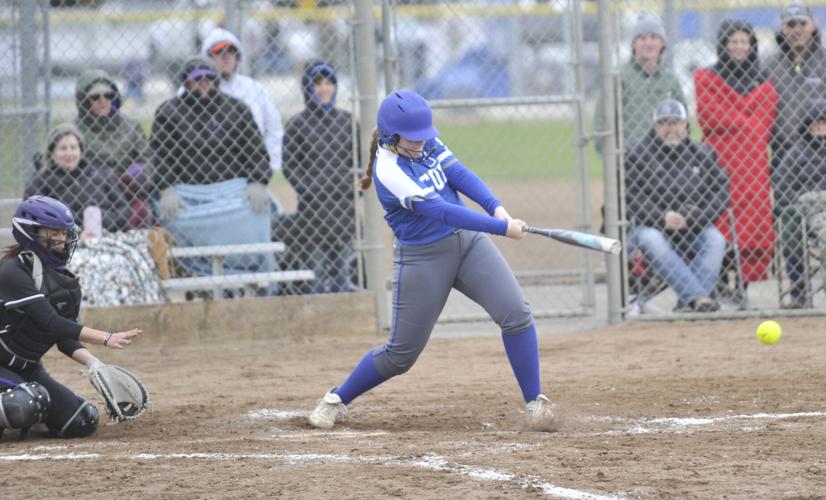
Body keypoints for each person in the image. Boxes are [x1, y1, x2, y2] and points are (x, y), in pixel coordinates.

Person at [307, 90, 554, 430]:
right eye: (414, 138)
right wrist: (501, 228)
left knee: (517, 314)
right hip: (423, 259)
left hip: (469, 245)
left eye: (425, 135)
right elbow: (442, 211)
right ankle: (336, 399)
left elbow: (460, 175)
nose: (423, 143)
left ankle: (535, 402)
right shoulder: (389, 169)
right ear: (392, 137)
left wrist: (497, 208)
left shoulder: (425, 144)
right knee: (400, 355)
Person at [0, 196, 142, 439]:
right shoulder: (12, 271)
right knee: (23, 404)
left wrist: (94, 364)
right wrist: (106, 337)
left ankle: (24, 418)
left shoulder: (64, 284)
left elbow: (63, 337)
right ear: (30, 232)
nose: (61, 239)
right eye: (52, 232)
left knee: (82, 420)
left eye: (63, 233)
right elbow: (51, 322)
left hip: (29, 369)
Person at [150, 57, 276, 278]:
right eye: (197, 80)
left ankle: (251, 273)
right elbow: (159, 156)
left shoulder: (236, 109)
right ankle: (194, 272)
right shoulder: (168, 112)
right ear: (186, 83)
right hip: (189, 195)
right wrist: (165, 187)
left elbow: (256, 151)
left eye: (209, 79)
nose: (204, 84)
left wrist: (258, 181)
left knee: (261, 208)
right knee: (169, 214)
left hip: (231, 193)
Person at [625, 99, 730, 313]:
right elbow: (631, 197)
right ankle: (698, 298)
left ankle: (688, 305)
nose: (670, 128)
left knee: (716, 240)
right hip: (651, 226)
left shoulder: (703, 153)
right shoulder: (637, 155)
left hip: (693, 226)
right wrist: (661, 217)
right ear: (655, 126)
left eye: (676, 122)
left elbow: (721, 193)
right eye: (664, 122)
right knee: (652, 240)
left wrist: (695, 218)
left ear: (686, 125)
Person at [695, 19, 777, 288]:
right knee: (719, 217)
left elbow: (762, 127)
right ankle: (718, 280)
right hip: (719, 162)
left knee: (750, 224)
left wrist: (733, 120)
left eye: (744, 41)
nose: (739, 47)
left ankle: (742, 285)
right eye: (733, 41)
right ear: (723, 45)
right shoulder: (708, 77)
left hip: (752, 167)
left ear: (751, 45)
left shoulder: (763, 79)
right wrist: (747, 120)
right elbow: (708, 117)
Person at [282, 61, 356, 294]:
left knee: (343, 271)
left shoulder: (347, 121)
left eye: (329, 83)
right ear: (308, 88)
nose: (324, 89)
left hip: (344, 208)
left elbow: (361, 163)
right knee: (316, 273)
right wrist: (311, 188)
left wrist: (353, 187)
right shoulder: (298, 124)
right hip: (313, 211)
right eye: (318, 84)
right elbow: (290, 166)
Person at [593, 11, 686, 155]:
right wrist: (611, 155)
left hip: (665, 158)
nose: (648, 43)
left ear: (662, 43)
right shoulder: (619, 77)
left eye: (654, 37)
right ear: (634, 44)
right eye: (642, 38)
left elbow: (683, 120)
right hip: (630, 157)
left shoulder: (670, 79)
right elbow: (602, 120)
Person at [74, 69, 151, 229]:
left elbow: (149, 159)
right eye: (95, 97)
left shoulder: (131, 126)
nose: (103, 101)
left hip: (130, 192)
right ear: (84, 101)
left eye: (108, 95)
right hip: (93, 195)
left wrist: (135, 177)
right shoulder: (75, 131)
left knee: (142, 210)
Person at [25, 123, 131, 236]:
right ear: (52, 153)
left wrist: (101, 219)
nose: (69, 153)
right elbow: (36, 219)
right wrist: (78, 228)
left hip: (107, 236)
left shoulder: (99, 174)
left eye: (74, 147)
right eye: (63, 148)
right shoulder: (40, 181)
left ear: (81, 150)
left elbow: (124, 209)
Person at [202, 28, 284, 174]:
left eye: (231, 52)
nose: (226, 57)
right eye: (219, 53)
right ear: (208, 58)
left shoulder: (252, 87)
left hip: (250, 167)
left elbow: (274, 129)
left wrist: (269, 165)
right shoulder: (195, 90)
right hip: (208, 172)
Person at [773, 99, 826, 308]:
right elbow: (781, 189)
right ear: (808, 125)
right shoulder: (795, 154)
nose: (821, 127)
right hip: (805, 212)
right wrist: (811, 200)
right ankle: (798, 292)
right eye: (817, 123)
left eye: (825, 122)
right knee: (791, 217)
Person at [765, 3, 826, 165]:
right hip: (781, 152)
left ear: (813, 25)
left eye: (802, 23)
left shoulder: (824, 61)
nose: (797, 30)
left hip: (820, 150)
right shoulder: (769, 65)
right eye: (791, 24)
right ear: (782, 28)